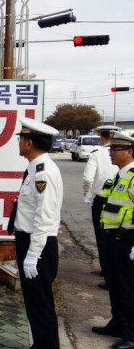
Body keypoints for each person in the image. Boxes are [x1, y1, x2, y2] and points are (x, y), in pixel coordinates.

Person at [9, 118, 63, 349]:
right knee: (34, 301)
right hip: (29, 241)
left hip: (37, 245)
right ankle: (41, 344)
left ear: (29, 143)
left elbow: (45, 217)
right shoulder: (35, 168)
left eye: (20, 139)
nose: (18, 143)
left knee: (40, 302)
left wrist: (33, 254)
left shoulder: (44, 172)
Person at [93, 131, 134, 349]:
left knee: (128, 288)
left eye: (116, 150)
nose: (111, 153)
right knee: (115, 285)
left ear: (130, 152)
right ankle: (117, 323)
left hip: (128, 239)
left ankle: (131, 334)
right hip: (113, 238)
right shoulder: (120, 175)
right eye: (111, 149)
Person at [82, 125, 119, 289]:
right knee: (117, 236)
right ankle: (112, 270)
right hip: (120, 200)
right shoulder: (124, 154)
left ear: (101, 137)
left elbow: (88, 178)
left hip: (101, 199)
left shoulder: (97, 155)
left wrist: (88, 194)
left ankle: (107, 271)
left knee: (102, 236)